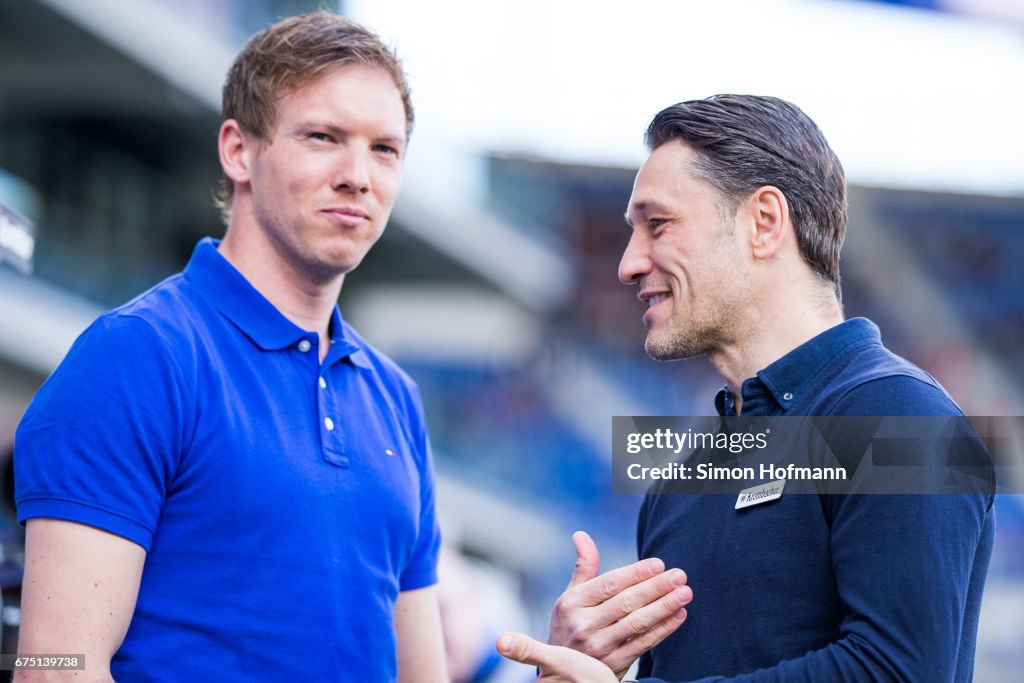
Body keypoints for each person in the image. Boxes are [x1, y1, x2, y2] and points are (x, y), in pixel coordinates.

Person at [498, 95, 995, 682]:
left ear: (763, 223)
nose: (629, 263)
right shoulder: (683, 477)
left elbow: (897, 673)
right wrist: (573, 670)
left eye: (657, 225)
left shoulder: (900, 414)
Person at [13, 12, 446, 682]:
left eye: (384, 149)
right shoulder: (136, 357)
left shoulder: (396, 398)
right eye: (324, 137)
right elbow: (55, 664)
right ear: (239, 151)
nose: (358, 175)